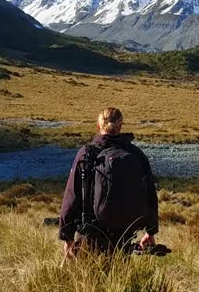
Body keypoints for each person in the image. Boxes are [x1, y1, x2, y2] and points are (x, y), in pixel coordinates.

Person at [59, 107, 158, 258]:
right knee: (121, 277)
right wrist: (150, 232)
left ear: (98, 126)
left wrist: (67, 236)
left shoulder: (87, 154)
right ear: (121, 126)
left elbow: (71, 197)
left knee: (87, 278)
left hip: (90, 234)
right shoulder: (136, 154)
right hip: (125, 234)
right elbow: (150, 195)